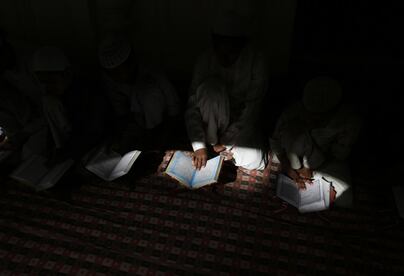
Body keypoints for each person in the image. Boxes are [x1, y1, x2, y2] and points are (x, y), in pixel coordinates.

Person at [185, 10, 268, 171]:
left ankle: (221, 150)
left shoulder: (257, 61)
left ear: (242, 45)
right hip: (211, 124)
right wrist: (198, 145)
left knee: (256, 159)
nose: (225, 57)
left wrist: (226, 142)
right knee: (210, 89)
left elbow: (252, 109)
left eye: (231, 52)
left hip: (240, 126)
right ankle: (212, 147)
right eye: (220, 50)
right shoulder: (205, 60)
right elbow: (192, 106)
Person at [269, 76, 362, 207]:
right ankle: (304, 185)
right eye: (309, 114)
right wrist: (288, 166)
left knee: (344, 198)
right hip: (293, 156)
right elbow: (276, 142)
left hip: (325, 161)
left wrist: (310, 171)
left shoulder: (348, 122)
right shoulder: (293, 112)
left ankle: (313, 187)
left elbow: (339, 155)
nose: (313, 120)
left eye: (319, 117)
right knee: (287, 183)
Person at [99, 35, 180, 154]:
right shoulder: (110, 80)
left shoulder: (152, 71)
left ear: (130, 63)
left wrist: (161, 139)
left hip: (161, 121)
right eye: (113, 74)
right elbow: (121, 113)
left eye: (120, 72)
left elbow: (174, 110)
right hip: (138, 123)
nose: (118, 78)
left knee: (147, 93)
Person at [32, 46, 105, 162]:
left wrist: (66, 153)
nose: (47, 88)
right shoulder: (53, 99)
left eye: (51, 82)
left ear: (67, 73)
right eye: (43, 83)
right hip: (71, 148)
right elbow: (53, 131)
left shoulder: (87, 93)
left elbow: (92, 133)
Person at [0, 30, 46, 159]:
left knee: (29, 151)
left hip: (50, 120)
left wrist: (24, 133)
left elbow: (51, 110)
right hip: (30, 120)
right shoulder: (6, 73)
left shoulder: (33, 60)